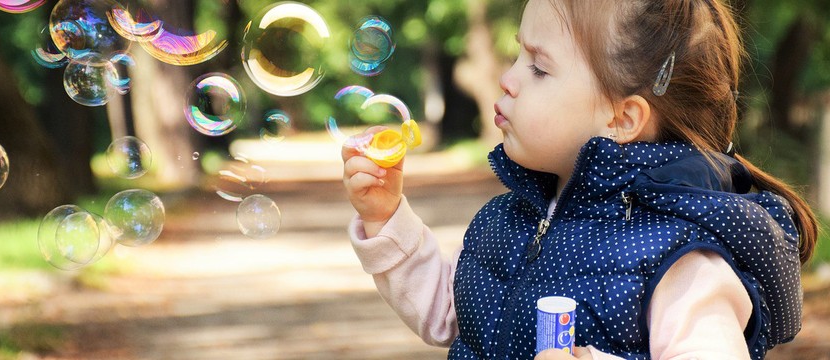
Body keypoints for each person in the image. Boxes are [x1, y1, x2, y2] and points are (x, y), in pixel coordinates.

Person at [341, 0, 818, 358]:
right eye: (517, 55)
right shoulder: (512, 218)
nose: (508, 79)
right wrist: (387, 219)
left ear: (623, 117)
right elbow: (454, 315)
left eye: (539, 67)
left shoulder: (680, 258)